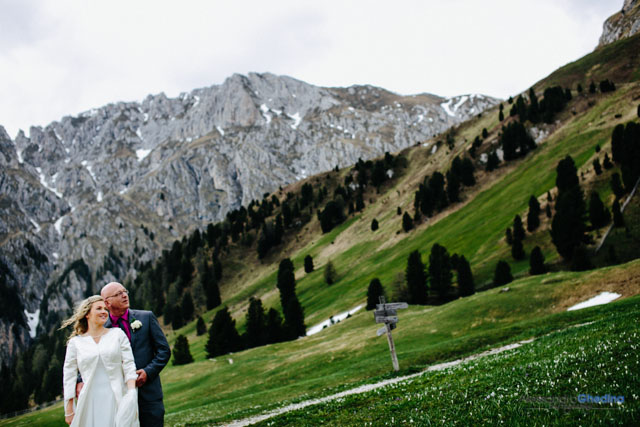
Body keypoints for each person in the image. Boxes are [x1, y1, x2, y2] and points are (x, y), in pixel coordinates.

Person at [97, 282, 171, 426]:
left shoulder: (146, 317)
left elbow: (164, 350)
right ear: (107, 302)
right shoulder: (102, 329)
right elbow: (93, 358)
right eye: (118, 294)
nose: (124, 295)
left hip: (149, 394)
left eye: (125, 291)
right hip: (119, 398)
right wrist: (79, 380)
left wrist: (148, 372)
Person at [61, 295, 139, 426]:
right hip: (90, 400)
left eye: (105, 309)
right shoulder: (75, 343)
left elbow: (129, 365)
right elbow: (69, 376)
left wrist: (131, 394)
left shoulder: (117, 334)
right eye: (99, 308)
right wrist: (69, 409)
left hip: (117, 396)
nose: (104, 311)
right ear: (87, 314)